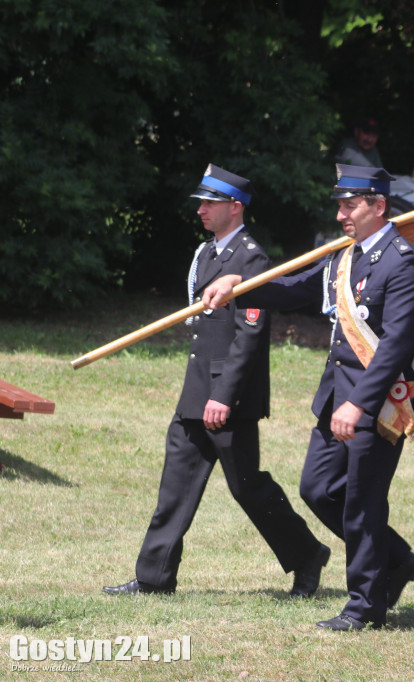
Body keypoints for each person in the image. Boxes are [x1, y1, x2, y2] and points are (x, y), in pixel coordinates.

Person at [203, 164, 414, 632]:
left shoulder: (402, 262)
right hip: (335, 398)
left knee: (362, 502)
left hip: (376, 403)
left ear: (378, 206)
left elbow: (397, 346)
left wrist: (360, 403)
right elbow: (292, 288)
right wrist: (236, 287)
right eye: (341, 206)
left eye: (351, 205)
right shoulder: (345, 258)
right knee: (318, 488)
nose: (343, 214)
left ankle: (364, 606)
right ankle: (398, 560)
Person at [103, 164, 330, 598]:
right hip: (196, 391)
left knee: (248, 488)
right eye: (201, 203)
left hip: (229, 398)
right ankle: (153, 577)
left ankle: (306, 555)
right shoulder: (208, 253)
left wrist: (223, 395)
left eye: (209, 202)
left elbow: (249, 333)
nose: (201, 210)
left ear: (235, 206)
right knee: (175, 486)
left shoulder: (250, 258)